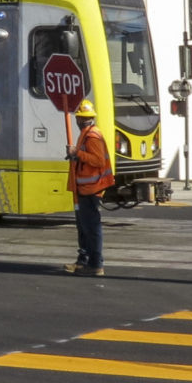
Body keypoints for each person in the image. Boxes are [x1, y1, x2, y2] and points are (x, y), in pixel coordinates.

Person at [63, 99, 115, 276]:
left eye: (80, 118)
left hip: (91, 189)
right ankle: (84, 261)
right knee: (85, 227)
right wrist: (77, 157)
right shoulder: (87, 133)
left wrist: (77, 153)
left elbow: (97, 160)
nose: (80, 121)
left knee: (91, 228)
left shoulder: (92, 136)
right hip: (85, 188)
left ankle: (95, 264)